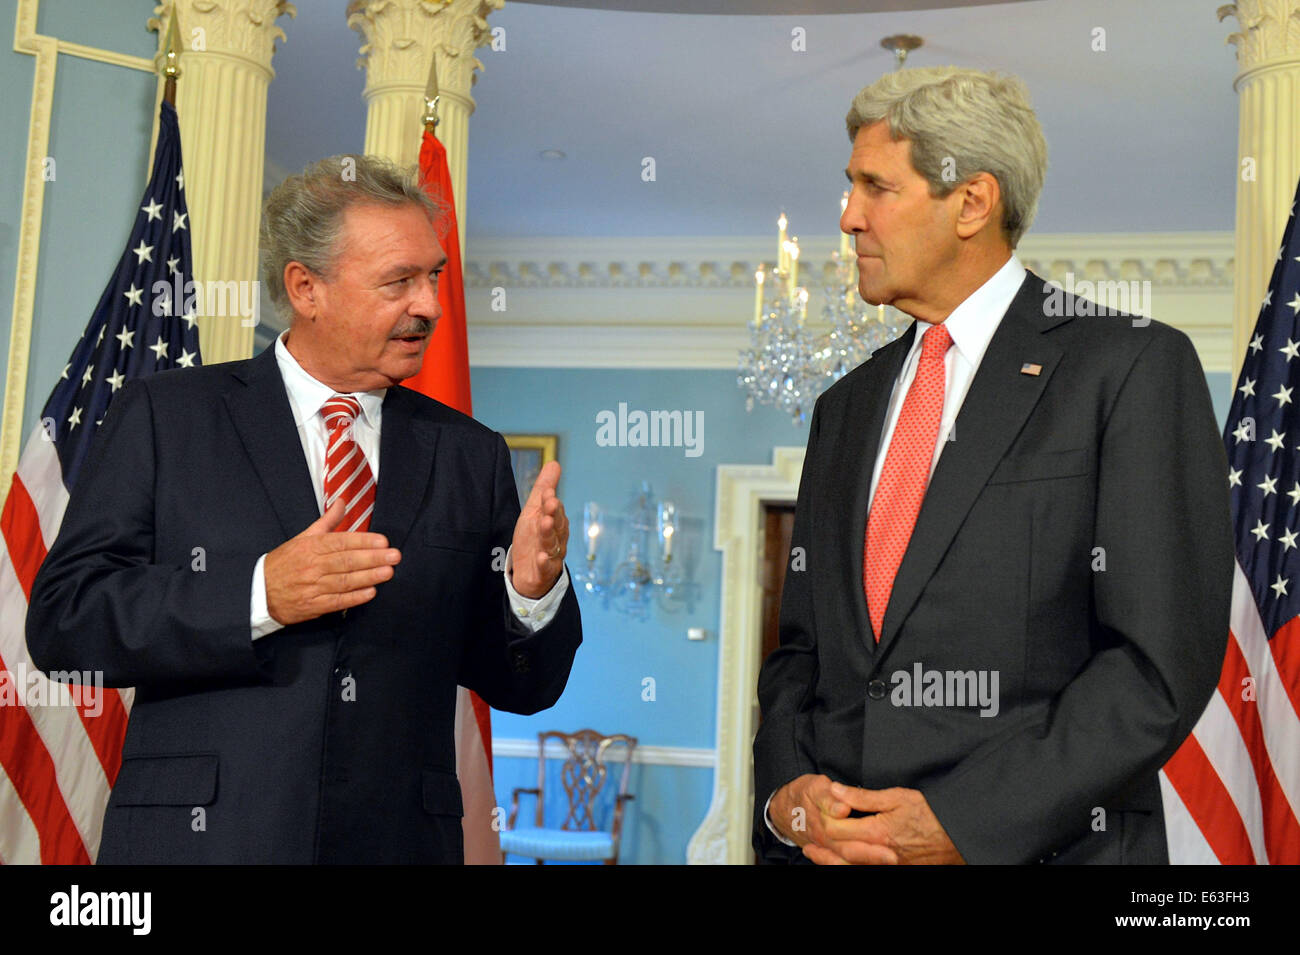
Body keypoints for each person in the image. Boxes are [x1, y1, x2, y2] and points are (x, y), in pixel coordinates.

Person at [26, 155, 582, 864]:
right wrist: (260, 593)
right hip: (202, 844)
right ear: (306, 287)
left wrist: (530, 596)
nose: (431, 305)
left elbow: (521, 686)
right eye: (399, 281)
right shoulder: (168, 417)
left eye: (434, 276)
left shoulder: (468, 454)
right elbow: (65, 621)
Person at [752, 67, 1232, 865]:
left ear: (972, 202)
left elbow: (1156, 666)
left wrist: (964, 821)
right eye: (849, 187)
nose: (847, 218)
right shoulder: (844, 406)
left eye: (876, 188)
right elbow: (800, 654)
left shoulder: (1131, 367)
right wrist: (786, 798)